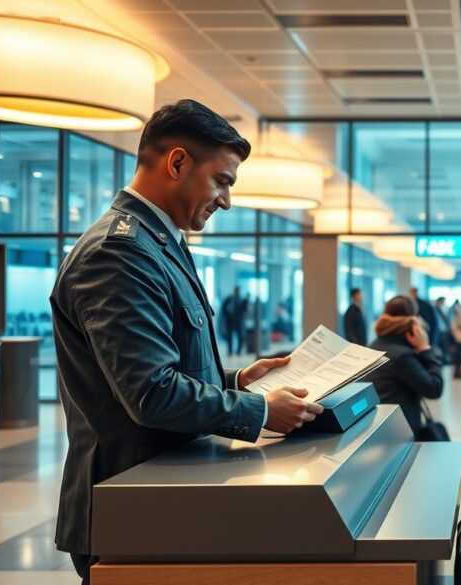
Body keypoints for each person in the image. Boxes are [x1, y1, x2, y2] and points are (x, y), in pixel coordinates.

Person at [49, 100, 323, 584]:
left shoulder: (159, 242)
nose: (226, 201)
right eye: (222, 181)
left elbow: (160, 366)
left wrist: (237, 379)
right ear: (177, 163)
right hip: (127, 510)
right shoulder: (119, 252)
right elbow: (150, 393)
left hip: (162, 498)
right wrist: (259, 412)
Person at [367, 296, 444, 435]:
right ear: (414, 324)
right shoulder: (402, 357)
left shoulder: (374, 346)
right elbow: (434, 389)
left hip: (379, 428)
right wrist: (425, 349)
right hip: (401, 433)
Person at [219, 286, 243, 355]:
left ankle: (238, 351)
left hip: (238, 321)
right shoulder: (229, 298)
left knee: (240, 336)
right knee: (230, 337)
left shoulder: (239, 299)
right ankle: (230, 351)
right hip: (230, 321)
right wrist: (226, 317)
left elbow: (241, 310)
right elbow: (223, 309)